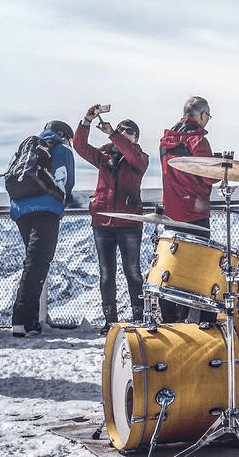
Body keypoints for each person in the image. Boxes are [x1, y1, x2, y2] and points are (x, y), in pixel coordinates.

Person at [72, 106, 149, 333]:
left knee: (132, 271)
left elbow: (132, 155)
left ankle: (139, 316)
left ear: (135, 138)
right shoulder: (103, 155)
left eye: (129, 132)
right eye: (122, 130)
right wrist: (87, 120)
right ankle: (110, 321)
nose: (124, 133)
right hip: (102, 222)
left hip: (129, 224)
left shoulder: (139, 158)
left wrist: (113, 134)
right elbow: (79, 146)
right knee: (107, 274)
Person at [9, 120, 75, 338]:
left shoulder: (27, 146)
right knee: (38, 264)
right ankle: (24, 321)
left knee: (31, 263)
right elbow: (67, 181)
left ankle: (26, 319)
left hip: (20, 210)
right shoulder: (61, 150)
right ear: (63, 135)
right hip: (46, 210)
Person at [158, 96, 216, 323]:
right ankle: (203, 321)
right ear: (201, 115)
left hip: (171, 214)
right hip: (195, 213)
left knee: (173, 267)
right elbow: (208, 177)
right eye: (208, 116)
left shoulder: (166, 140)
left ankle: (171, 318)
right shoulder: (198, 142)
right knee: (200, 269)